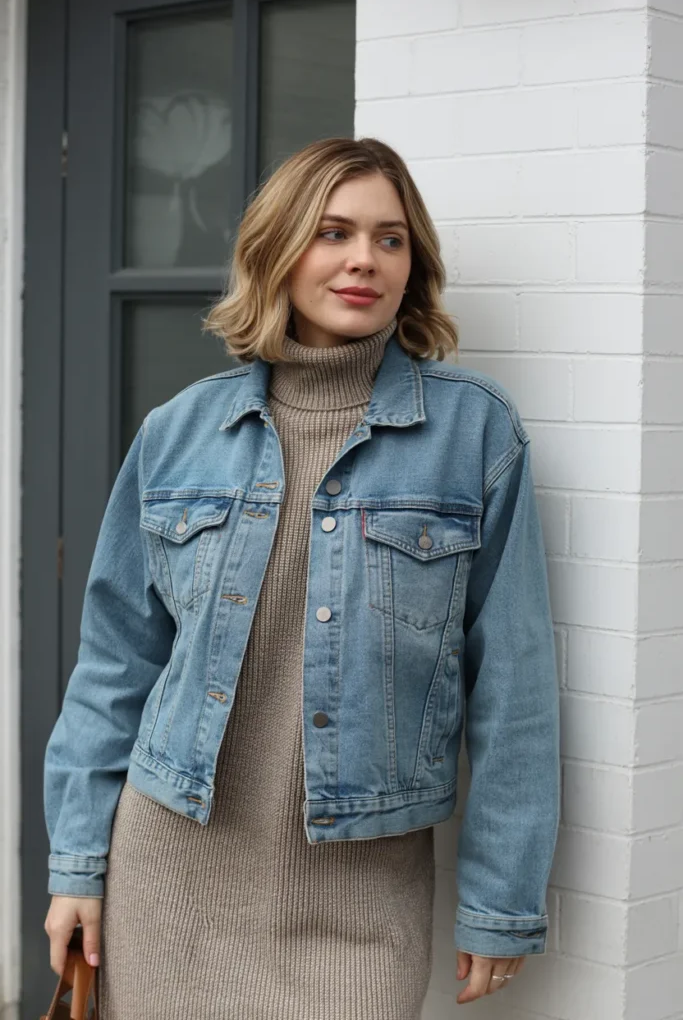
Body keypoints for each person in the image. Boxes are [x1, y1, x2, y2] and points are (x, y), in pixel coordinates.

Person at [43, 136, 560, 1017]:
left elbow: (514, 691)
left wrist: (500, 901)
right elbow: (114, 665)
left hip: (360, 889)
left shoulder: (473, 434)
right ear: (278, 250)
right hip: (172, 866)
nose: (364, 259)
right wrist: (78, 863)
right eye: (332, 232)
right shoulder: (179, 431)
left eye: (390, 239)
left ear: (413, 263)